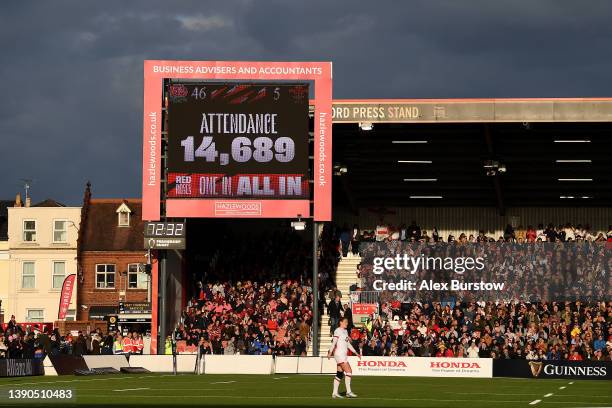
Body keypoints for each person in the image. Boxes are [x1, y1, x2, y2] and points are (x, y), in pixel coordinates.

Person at [327, 317, 361, 399]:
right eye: (345, 322)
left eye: (347, 322)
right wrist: (330, 352)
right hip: (340, 354)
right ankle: (348, 392)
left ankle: (334, 393)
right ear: (340, 322)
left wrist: (356, 352)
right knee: (349, 371)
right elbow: (334, 342)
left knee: (339, 374)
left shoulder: (345, 331)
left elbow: (348, 344)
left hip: (342, 355)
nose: (347, 323)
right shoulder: (337, 330)